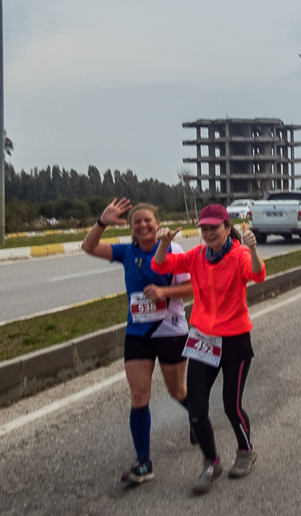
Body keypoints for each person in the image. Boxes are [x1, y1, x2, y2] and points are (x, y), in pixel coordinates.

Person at [154, 204, 266, 495]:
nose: (208, 233)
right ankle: (211, 461)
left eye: (214, 227)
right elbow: (160, 266)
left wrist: (253, 250)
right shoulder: (196, 256)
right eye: (204, 228)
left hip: (235, 343)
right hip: (203, 340)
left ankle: (245, 451)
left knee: (231, 405)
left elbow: (257, 275)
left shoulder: (239, 254)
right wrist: (164, 245)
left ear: (227, 228)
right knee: (197, 409)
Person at [81, 198, 194, 484]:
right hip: (137, 334)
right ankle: (143, 462)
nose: (143, 225)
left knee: (177, 391)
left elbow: (193, 287)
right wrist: (102, 222)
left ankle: (197, 417)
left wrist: (165, 291)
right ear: (131, 228)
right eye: (137, 222)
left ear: (157, 224)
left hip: (170, 330)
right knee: (139, 396)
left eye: (148, 220)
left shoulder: (172, 249)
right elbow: (89, 247)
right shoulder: (126, 252)